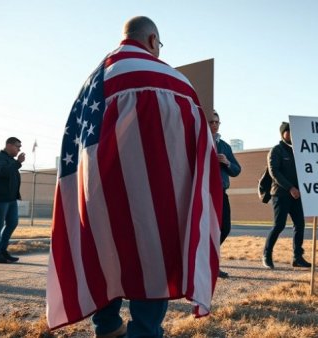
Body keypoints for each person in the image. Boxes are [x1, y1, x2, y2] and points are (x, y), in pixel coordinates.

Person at [45, 16, 223, 337]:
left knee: (104, 253)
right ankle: (144, 330)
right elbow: (194, 153)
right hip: (155, 197)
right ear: (153, 40)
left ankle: (108, 327)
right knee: (152, 256)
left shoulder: (92, 83)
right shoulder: (176, 83)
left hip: (97, 194)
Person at [262, 122, 311, 269]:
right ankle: (266, 255)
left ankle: (297, 257)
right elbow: (274, 172)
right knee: (279, 225)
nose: (292, 134)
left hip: (296, 195)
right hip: (281, 194)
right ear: (283, 133)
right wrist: (290, 188)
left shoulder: (298, 151)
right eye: (288, 131)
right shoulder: (276, 151)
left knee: (300, 224)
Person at [209, 111, 241, 278]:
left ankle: (209, 260)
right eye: (211, 122)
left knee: (225, 228)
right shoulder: (200, 141)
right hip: (205, 193)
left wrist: (227, 162)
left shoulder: (225, 146)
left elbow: (237, 170)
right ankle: (208, 264)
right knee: (207, 229)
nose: (214, 125)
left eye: (217, 122)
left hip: (221, 192)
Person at [0, 137, 24, 264]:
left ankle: (2, 251)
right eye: (17, 146)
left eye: (19, 147)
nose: (19, 149)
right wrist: (18, 162)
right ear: (8, 145)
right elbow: (3, 171)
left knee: (12, 223)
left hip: (11, 199)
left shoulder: (10, 160)